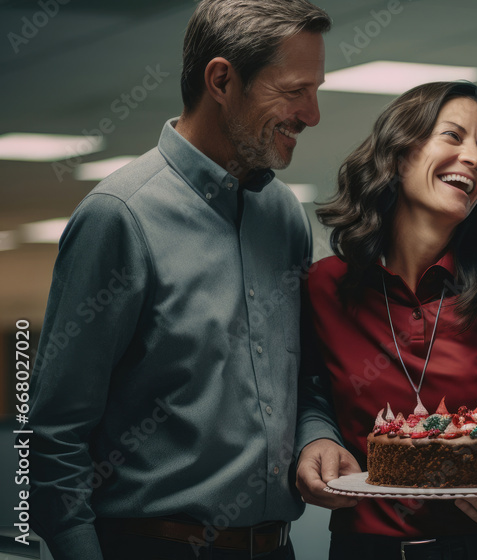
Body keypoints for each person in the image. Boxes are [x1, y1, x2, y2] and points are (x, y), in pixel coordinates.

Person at [28, 1, 332, 558]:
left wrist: (318, 436)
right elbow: (54, 436)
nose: (311, 115)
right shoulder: (120, 216)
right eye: (294, 91)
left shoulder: (284, 215)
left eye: (316, 90)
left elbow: (307, 379)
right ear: (222, 80)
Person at [295, 81, 477, 560]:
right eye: (453, 136)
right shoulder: (326, 286)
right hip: (362, 549)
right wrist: (315, 440)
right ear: (398, 155)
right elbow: (306, 394)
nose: (476, 158)